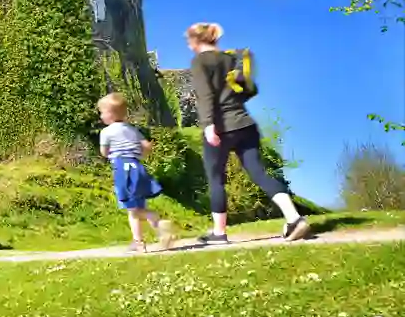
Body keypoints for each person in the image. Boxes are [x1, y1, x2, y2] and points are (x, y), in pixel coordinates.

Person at [186, 22, 311, 245]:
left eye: (189, 41)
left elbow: (205, 94)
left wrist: (207, 125)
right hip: (245, 124)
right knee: (259, 173)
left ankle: (219, 233)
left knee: (216, 180)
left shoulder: (200, 62)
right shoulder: (231, 59)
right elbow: (248, 90)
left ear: (195, 41)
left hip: (220, 128)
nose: (188, 46)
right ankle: (295, 218)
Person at [98, 92, 175, 253]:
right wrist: (140, 153)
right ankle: (139, 241)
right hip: (137, 167)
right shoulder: (132, 129)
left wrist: (110, 151)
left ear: (110, 114)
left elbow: (104, 152)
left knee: (131, 207)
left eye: (102, 112)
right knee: (135, 208)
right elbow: (147, 146)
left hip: (122, 168)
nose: (101, 115)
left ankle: (155, 219)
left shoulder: (106, 132)